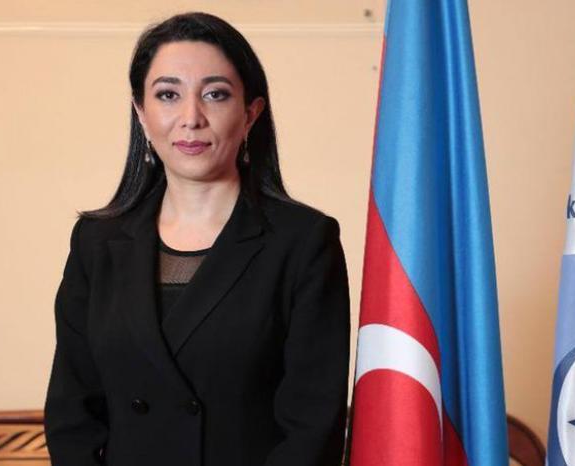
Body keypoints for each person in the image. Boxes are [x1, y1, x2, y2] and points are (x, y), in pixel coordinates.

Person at [43, 11, 350, 466]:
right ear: (141, 114)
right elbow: (72, 415)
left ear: (250, 114)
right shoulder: (96, 242)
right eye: (168, 94)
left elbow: (313, 427)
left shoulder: (304, 242)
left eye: (215, 94)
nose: (191, 118)